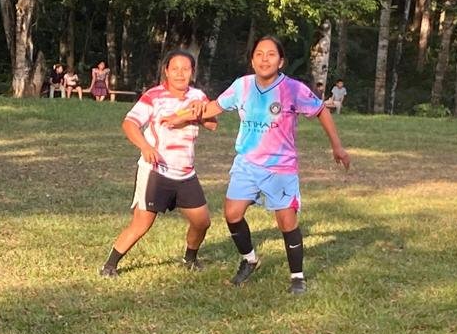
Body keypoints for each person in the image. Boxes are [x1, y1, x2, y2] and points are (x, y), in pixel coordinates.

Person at [203, 36, 350, 295]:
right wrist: (182, 113)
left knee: (286, 221)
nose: (264, 59)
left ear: (281, 61)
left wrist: (337, 146)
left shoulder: (293, 89)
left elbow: (321, 110)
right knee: (232, 214)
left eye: (271, 54)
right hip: (247, 163)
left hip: (280, 167)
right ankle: (249, 260)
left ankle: (297, 277)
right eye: (259, 54)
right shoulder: (242, 86)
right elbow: (213, 107)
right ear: (252, 59)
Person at [100, 50, 222, 278]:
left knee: (202, 222)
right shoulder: (154, 96)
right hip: (156, 171)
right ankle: (109, 265)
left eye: (185, 69)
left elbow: (213, 125)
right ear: (166, 71)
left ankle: (190, 259)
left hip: (185, 174)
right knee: (142, 224)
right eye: (174, 69)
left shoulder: (197, 96)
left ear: (192, 72)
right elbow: (129, 124)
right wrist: (146, 148)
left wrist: (195, 113)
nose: (180, 74)